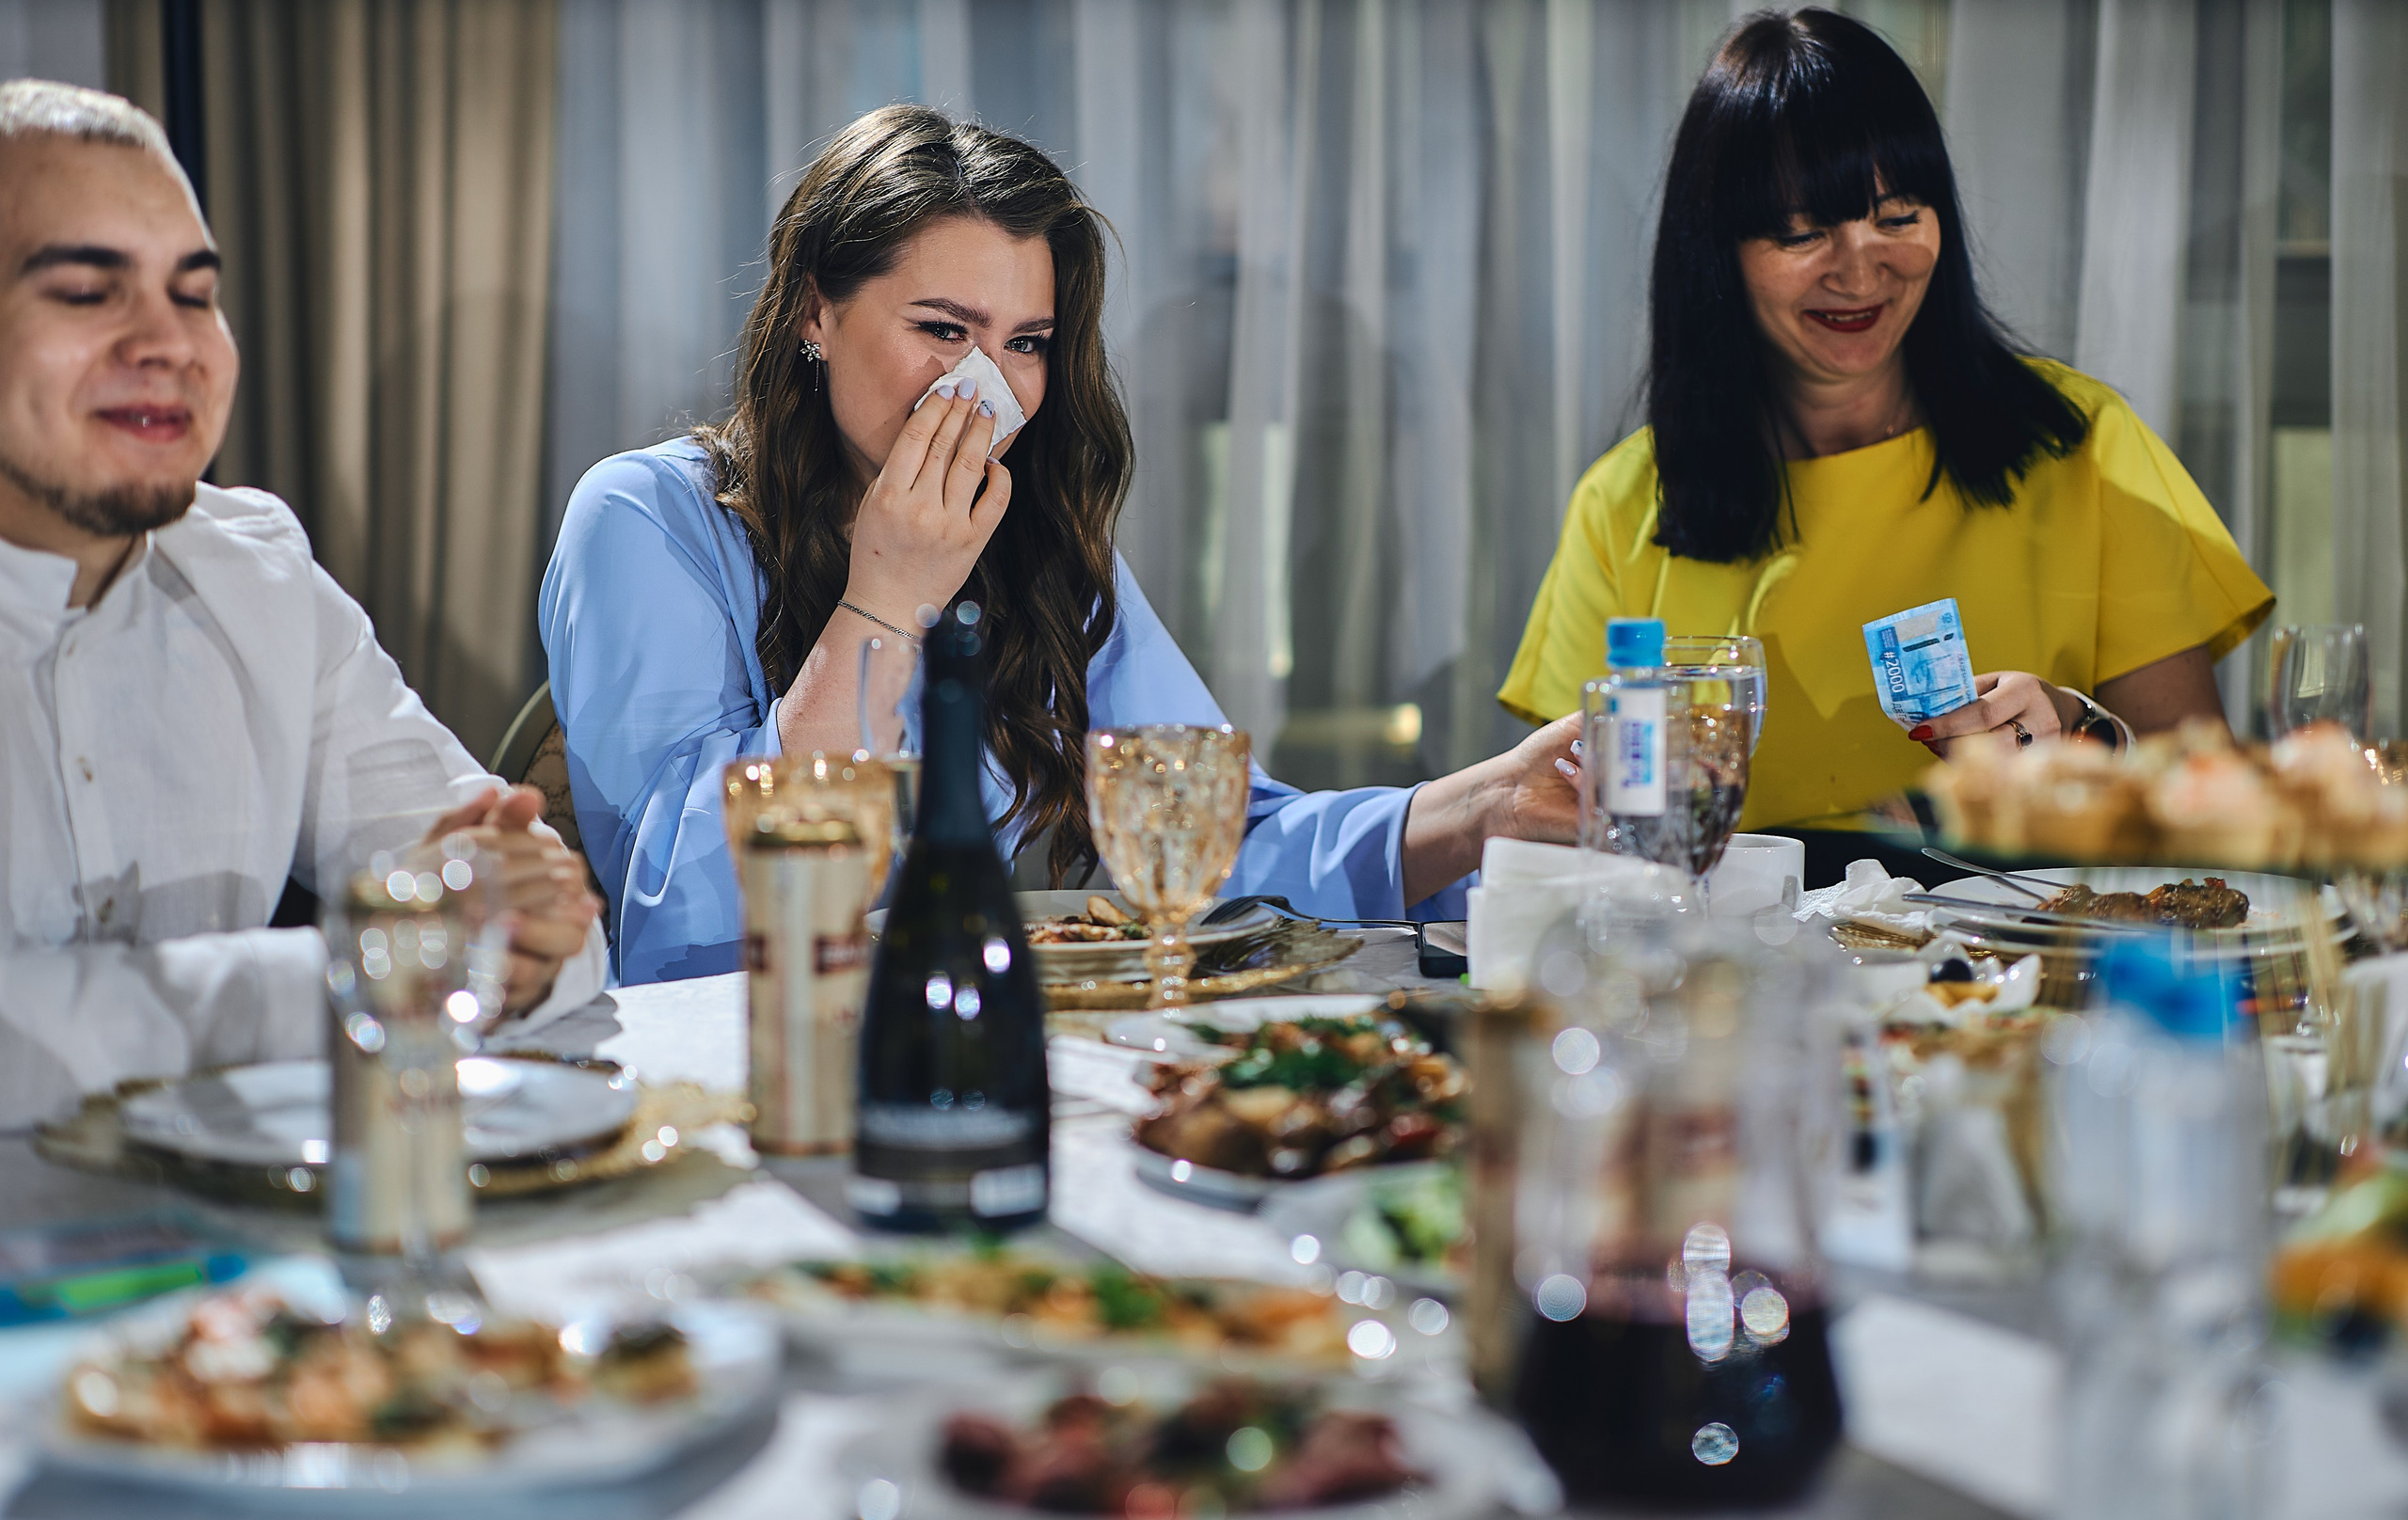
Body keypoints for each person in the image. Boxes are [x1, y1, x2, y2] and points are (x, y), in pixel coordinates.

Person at [543, 104, 1579, 984]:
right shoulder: (644, 519)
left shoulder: (1020, 538)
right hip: (748, 1064)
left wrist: (1480, 808)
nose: (982, 390)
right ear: (816, 309)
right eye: (943, 331)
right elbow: (684, 918)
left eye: (1023, 345)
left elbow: (1206, 839)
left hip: (976, 1033)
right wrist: (886, 601)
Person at [1499, 9, 2273, 865]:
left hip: (2024, 985)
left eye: (1899, 216)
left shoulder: (2083, 446)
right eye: (1802, 232)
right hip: (1731, 985)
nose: (1861, 267)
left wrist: (2084, 735)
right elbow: (1558, 843)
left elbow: (2217, 822)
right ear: (1715, 251)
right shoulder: (1628, 503)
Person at [0, 81, 605, 1125]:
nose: (169, 343)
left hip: (237, 1252)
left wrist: (522, 927)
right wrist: (371, 970)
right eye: (90, 292)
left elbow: (540, 921)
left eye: (194, 295)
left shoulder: (258, 577)